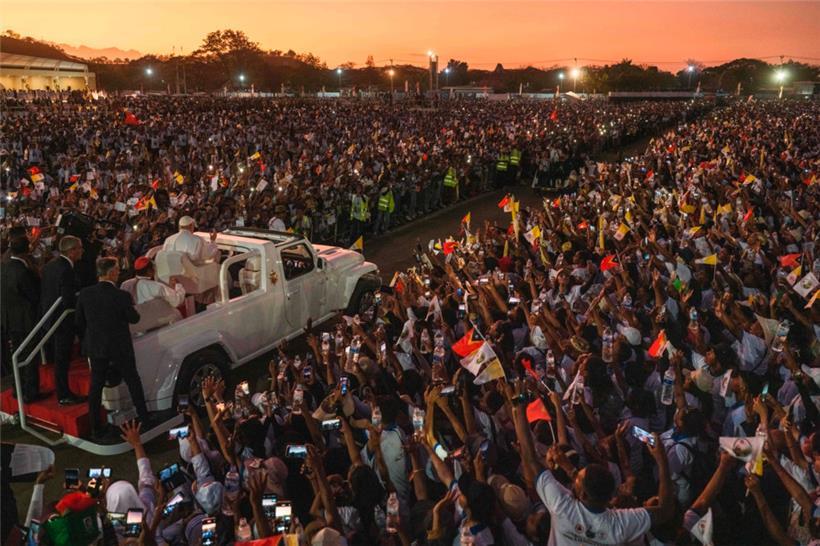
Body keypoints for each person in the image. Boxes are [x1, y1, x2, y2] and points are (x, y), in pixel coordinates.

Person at [75, 257, 151, 439]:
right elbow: (134, 319)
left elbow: (79, 322)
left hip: (96, 347)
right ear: (110, 273)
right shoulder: (121, 296)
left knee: (96, 387)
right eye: (117, 270)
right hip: (119, 346)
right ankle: (144, 418)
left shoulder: (85, 294)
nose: (119, 272)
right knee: (133, 380)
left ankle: (96, 427)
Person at [39, 235, 84, 406]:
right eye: (79, 248)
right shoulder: (66, 270)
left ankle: (63, 392)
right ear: (72, 251)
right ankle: (64, 394)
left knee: (60, 358)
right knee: (62, 359)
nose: (82, 251)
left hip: (51, 319)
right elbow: (68, 300)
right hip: (62, 321)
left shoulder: (51, 266)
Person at [1, 231, 42, 402]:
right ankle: (30, 392)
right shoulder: (23, 271)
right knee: (30, 356)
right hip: (26, 321)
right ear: (26, 251)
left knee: (16, 356)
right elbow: (34, 296)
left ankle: (18, 389)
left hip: (10, 320)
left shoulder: (4, 268)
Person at [121, 256, 186, 307]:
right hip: (155, 320)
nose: (155, 270)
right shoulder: (156, 286)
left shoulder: (125, 284)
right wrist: (178, 285)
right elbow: (176, 301)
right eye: (154, 268)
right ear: (149, 271)